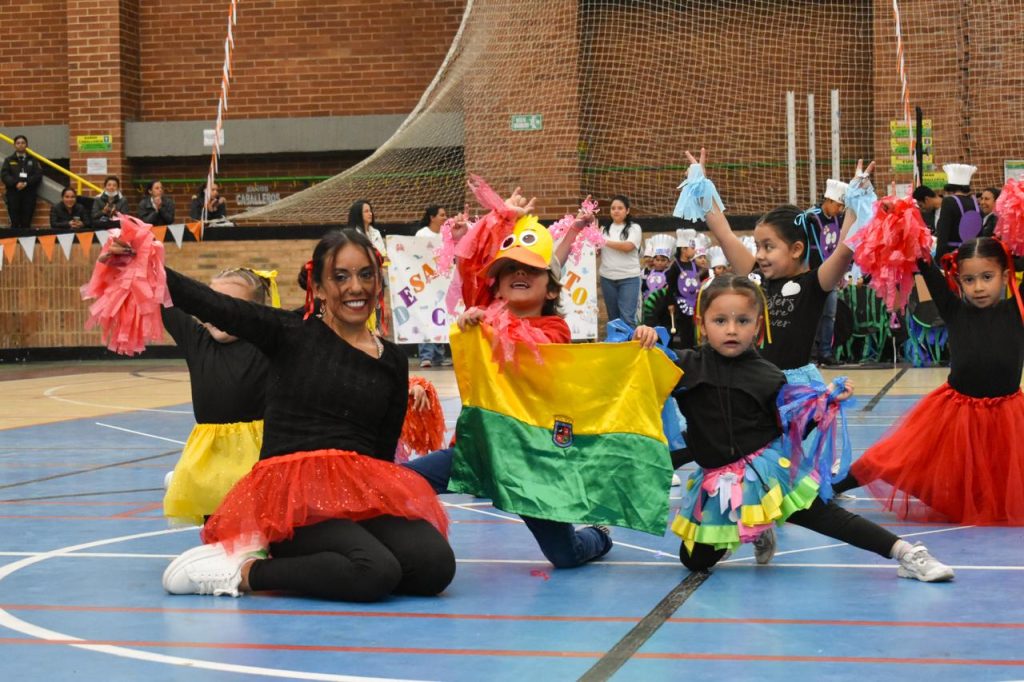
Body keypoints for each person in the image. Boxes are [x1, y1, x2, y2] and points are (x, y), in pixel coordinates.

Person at [100, 227, 455, 601]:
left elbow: (381, 452)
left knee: (435, 567)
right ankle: (243, 571)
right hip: (297, 501)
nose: (356, 287)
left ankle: (338, 562)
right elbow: (216, 306)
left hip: (357, 494)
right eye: (340, 276)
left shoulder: (392, 360)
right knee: (374, 571)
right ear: (317, 287)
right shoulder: (290, 333)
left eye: (366, 275)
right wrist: (147, 266)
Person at [640, 274, 954, 581]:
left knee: (826, 516)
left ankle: (906, 554)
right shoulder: (681, 366)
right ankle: (756, 527)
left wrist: (824, 406)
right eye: (720, 321)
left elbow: (791, 429)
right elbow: (639, 365)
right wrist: (642, 337)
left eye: (743, 321)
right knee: (693, 561)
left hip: (768, 474)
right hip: (719, 484)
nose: (732, 330)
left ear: (757, 325)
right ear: (702, 324)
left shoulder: (768, 375)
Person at [405, 189, 615, 569]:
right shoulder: (486, 319)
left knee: (565, 555)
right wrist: (475, 319)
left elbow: (527, 347)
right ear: (498, 287)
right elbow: (471, 277)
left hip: (531, 460)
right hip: (483, 450)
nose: (519, 274)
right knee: (400, 481)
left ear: (551, 288)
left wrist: (487, 324)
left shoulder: (556, 329)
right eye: (508, 271)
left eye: (531, 270)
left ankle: (597, 536)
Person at [833, 237, 1024, 523]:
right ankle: (835, 487)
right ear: (959, 281)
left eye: (987, 277)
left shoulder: (1017, 311)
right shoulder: (954, 310)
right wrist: (910, 235)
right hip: (957, 413)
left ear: (1005, 276)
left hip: (1008, 415)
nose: (979, 287)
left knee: (1000, 470)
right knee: (890, 457)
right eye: (969, 280)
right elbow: (926, 267)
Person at [691, 148, 872, 386]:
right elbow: (724, 234)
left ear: (796, 249)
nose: (760, 255)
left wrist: (855, 202)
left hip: (791, 388)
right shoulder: (755, 275)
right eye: (757, 246)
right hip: (752, 382)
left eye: (768, 247)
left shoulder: (813, 284)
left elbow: (844, 250)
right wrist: (702, 187)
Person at [162, 268, 276, 526]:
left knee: (259, 529)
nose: (219, 315)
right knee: (219, 531)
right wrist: (134, 259)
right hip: (209, 458)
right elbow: (160, 293)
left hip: (258, 454)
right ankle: (184, 480)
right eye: (212, 305)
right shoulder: (196, 339)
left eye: (231, 307)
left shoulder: (270, 341)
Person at [807, 178, 849, 366]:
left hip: (831, 274)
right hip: (812, 273)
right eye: (838, 205)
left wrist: (842, 272)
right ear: (829, 201)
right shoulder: (811, 217)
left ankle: (826, 352)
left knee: (829, 314)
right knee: (811, 314)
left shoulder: (839, 219)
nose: (840, 210)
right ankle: (811, 354)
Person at [415, 204, 452, 368]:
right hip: (426, 281)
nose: (445, 217)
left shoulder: (446, 234)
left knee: (441, 317)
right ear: (432, 217)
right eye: (442, 215)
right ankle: (426, 356)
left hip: (443, 281)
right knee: (426, 316)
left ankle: (438, 355)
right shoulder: (422, 234)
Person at [598, 195, 643, 327]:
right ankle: (616, 346)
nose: (616, 211)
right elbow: (598, 252)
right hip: (607, 278)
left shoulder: (634, 228)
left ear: (627, 211)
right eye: (613, 208)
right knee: (613, 319)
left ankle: (629, 346)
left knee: (627, 318)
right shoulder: (603, 230)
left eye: (620, 208)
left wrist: (604, 241)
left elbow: (628, 247)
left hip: (629, 278)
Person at [665, 228, 704, 350]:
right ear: (683, 249)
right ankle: (685, 353)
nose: (694, 250)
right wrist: (671, 303)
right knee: (684, 331)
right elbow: (670, 286)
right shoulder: (675, 266)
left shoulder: (694, 265)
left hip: (694, 303)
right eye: (692, 248)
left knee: (694, 329)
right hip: (680, 304)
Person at [935, 164, 981, 258]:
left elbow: (943, 232)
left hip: (952, 255)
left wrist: (939, 257)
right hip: (972, 253)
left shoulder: (949, 201)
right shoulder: (975, 203)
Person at [2, 135, 43, 229]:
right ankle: (14, 242)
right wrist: (16, 183)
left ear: (26, 145)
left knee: (26, 222)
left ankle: (26, 242)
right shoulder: (8, 160)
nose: (20, 145)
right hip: (13, 194)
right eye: (18, 143)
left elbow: (38, 175)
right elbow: (4, 175)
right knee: (14, 222)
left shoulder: (33, 160)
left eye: (23, 143)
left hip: (29, 194)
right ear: (14, 145)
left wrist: (26, 183)